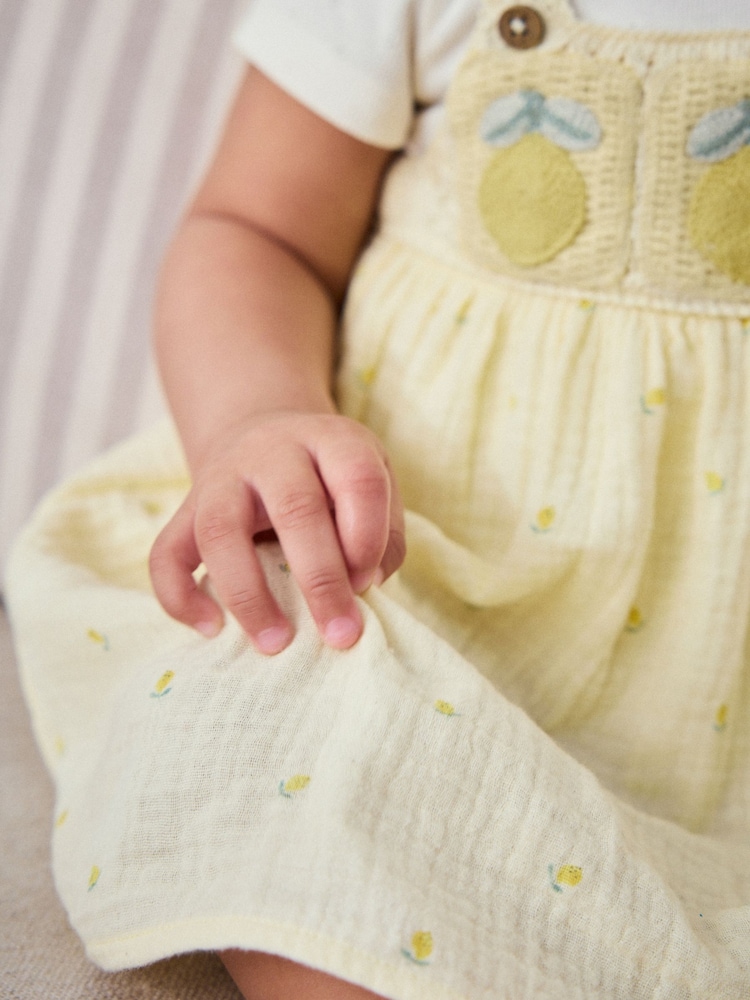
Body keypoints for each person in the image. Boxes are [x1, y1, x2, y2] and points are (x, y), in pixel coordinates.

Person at [6, 0, 750, 998]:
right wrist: (259, 416)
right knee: (269, 721)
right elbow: (258, 229)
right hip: (395, 555)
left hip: (721, 649)